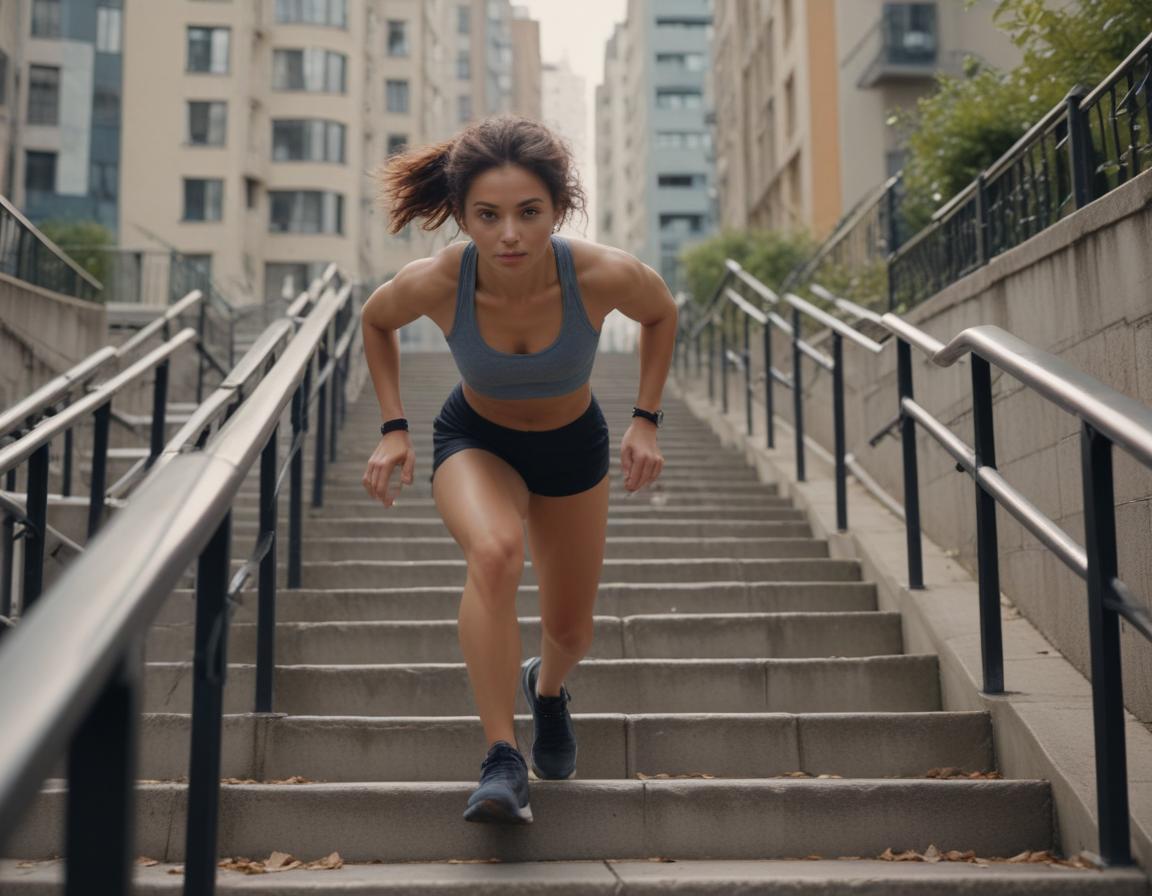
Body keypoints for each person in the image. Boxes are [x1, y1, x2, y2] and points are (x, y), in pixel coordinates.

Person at [360, 116, 677, 825]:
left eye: (529, 213)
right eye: (488, 215)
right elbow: (374, 321)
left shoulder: (598, 274)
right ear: (464, 217)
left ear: (557, 211)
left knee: (571, 631)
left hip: (574, 446)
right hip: (477, 438)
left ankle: (549, 690)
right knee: (496, 553)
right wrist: (393, 430)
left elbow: (662, 314)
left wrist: (647, 418)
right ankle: (502, 757)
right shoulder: (442, 279)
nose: (509, 234)